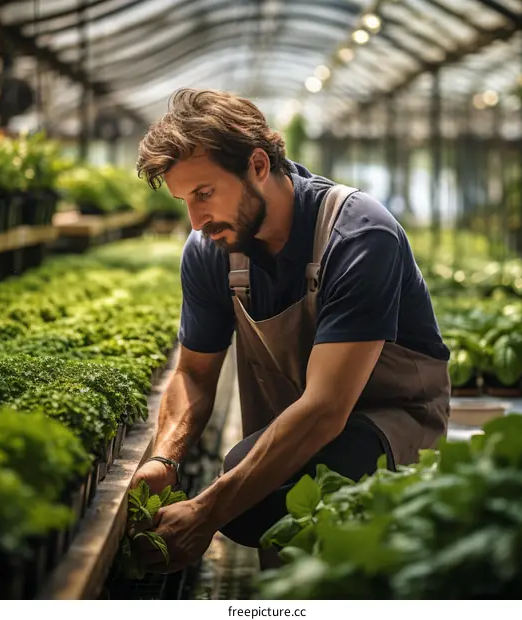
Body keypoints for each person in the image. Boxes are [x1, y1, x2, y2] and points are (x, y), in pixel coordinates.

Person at [131, 88, 451, 573]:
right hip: (297, 428)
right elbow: (194, 374)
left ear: (258, 165)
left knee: (251, 489)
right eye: (184, 201)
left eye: (204, 193)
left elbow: (325, 410)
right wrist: (165, 460)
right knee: (254, 492)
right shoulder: (210, 250)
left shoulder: (358, 235)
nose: (196, 221)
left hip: (390, 422)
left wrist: (207, 511)